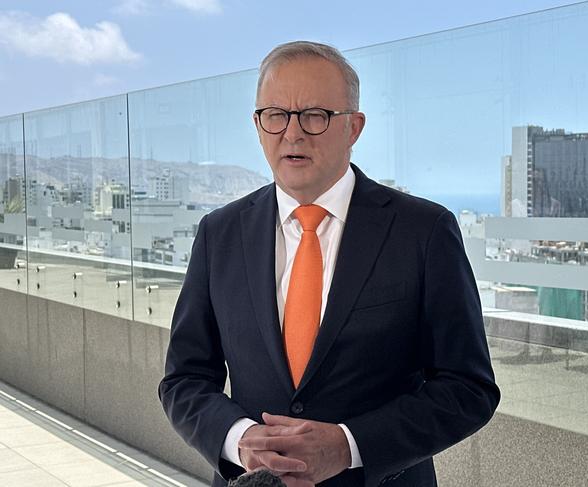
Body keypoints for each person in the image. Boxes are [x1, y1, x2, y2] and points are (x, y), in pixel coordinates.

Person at [159, 41, 500, 487]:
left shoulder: (424, 230)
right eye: (275, 115)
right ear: (258, 125)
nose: (293, 133)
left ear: (354, 128)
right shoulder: (219, 233)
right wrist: (240, 440)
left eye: (315, 115)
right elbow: (184, 379)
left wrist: (348, 445)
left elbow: (468, 387)